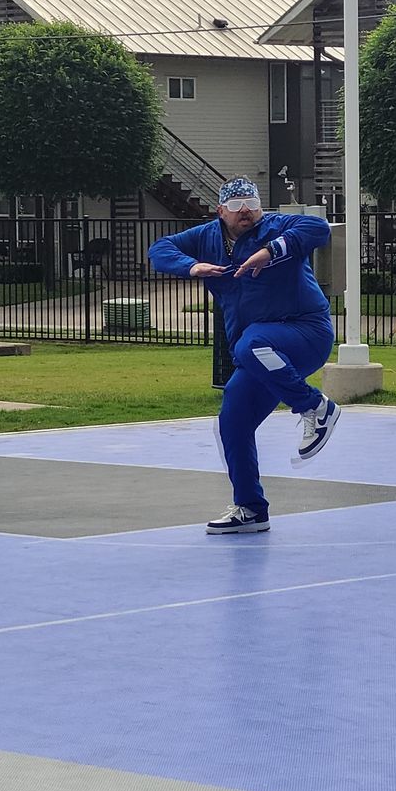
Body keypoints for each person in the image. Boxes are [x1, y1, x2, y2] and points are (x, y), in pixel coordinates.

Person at [148, 177, 341, 534]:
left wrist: (271, 252)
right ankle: (250, 508)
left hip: (305, 332)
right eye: (237, 207)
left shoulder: (275, 226)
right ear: (221, 211)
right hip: (259, 354)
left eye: (252, 204)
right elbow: (159, 250)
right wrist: (192, 267)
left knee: (249, 344)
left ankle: (314, 406)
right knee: (232, 421)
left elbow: (316, 228)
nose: (247, 213)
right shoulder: (207, 237)